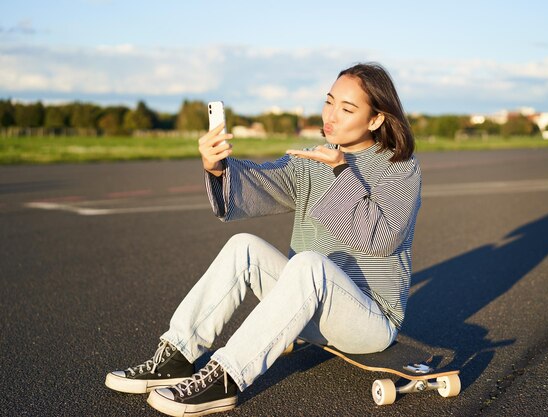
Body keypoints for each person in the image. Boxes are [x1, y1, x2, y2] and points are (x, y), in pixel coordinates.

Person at [105, 62, 422, 416]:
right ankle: (177, 356)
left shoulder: (400, 167)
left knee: (308, 264)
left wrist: (341, 171)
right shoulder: (312, 159)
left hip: (370, 321)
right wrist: (217, 167)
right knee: (244, 245)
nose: (331, 115)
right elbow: (261, 182)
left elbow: (381, 238)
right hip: (309, 309)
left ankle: (226, 377)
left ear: (376, 119)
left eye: (347, 109)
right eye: (329, 101)